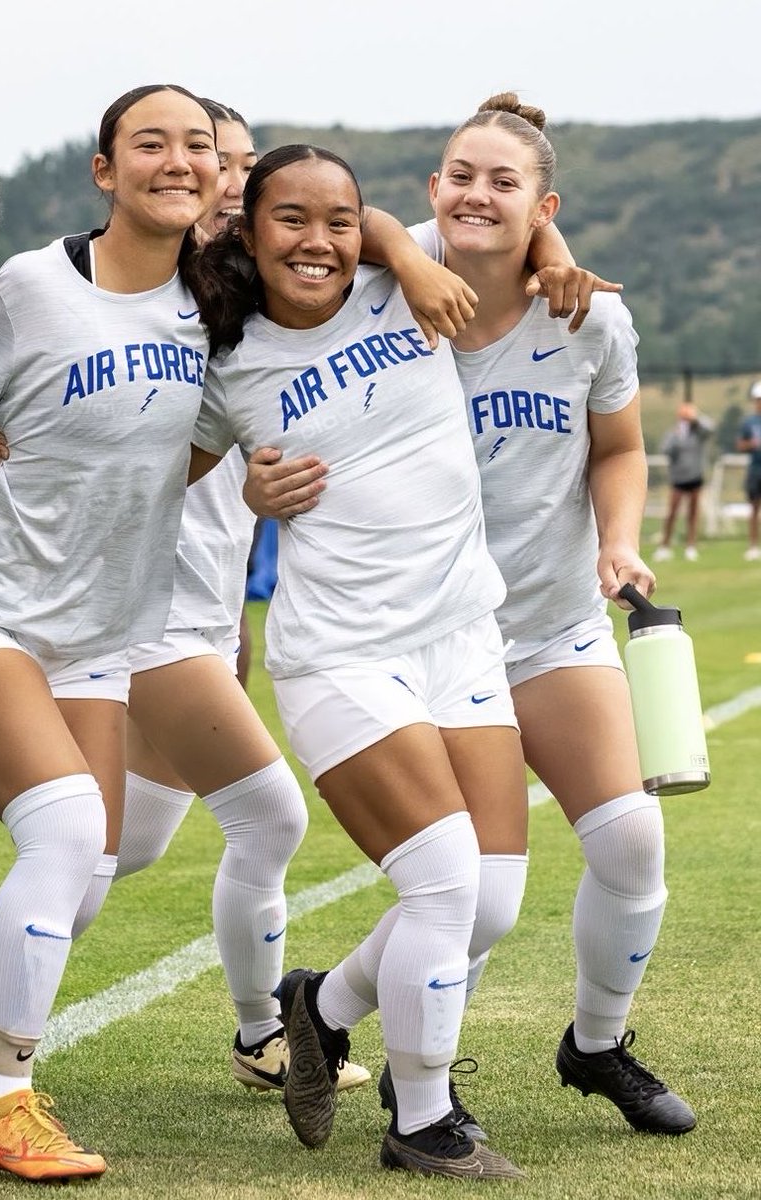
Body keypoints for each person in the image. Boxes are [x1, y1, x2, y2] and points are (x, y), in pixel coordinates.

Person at [0, 84, 221, 1184]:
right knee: (63, 834)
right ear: (104, 171)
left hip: (101, 626)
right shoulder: (29, 289)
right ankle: (2, 1099)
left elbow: (188, 448)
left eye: (196, 145)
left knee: (90, 876)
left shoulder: (220, 301)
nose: (177, 160)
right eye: (148, 143)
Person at [186, 144, 527, 1180]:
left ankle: (319, 1008)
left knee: (492, 905)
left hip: (463, 633)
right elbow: (165, 471)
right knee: (440, 885)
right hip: (340, 650)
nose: (320, 241)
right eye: (291, 220)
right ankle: (421, 1121)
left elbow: (508, 222)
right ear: (249, 230)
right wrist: (245, 496)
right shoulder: (224, 357)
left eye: (341, 221)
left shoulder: (402, 277)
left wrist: (411, 252)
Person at [412, 95, 694, 1137]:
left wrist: (619, 537)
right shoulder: (385, 297)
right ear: (431, 190)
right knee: (475, 889)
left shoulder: (590, 319)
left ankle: (597, 1044)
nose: (479, 194)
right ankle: (410, 1064)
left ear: (545, 205)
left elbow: (619, 452)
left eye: (506, 182)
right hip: (434, 638)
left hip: (554, 620)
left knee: (631, 845)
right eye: (461, 175)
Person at [655, 401, 715, 561]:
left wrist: (696, 417)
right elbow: (666, 450)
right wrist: (676, 437)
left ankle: (691, 545)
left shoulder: (699, 432)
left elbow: (710, 428)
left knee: (693, 513)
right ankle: (664, 546)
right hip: (678, 478)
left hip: (696, 477)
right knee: (672, 513)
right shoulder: (673, 434)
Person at [738, 380, 761, 561]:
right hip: (755, 469)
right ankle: (753, 545)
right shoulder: (749, 422)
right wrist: (751, 444)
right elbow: (740, 444)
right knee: (754, 507)